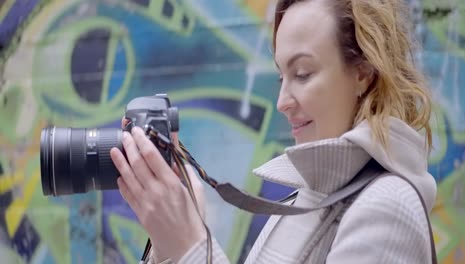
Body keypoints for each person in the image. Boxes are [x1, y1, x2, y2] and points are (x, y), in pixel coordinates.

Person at [110, 0, 438, 263]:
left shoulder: (388, 209)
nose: (282, 102)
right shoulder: (309, 197)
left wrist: (191, 246)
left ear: (363, 73)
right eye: (283, 76)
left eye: (303, 73)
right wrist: (169, 244)